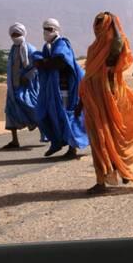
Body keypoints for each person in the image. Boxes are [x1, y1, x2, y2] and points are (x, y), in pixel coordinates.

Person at [77, 12, 133, 194]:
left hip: (109, 98)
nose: (96, 26)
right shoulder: (94, 47)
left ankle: (122, 170)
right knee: (98, 139)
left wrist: (114, 26)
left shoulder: (114, 45)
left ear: (107, 25)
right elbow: (89, 74)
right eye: (95, 22)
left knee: (112, 138)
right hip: (93, 99)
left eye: (100, 23)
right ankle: (102, 180)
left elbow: (118, 49)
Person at [33, 18, 89, 158]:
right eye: (45, 29)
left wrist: (44, 62)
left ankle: (72, 149)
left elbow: (61, 62)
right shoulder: (48, 46)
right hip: (52, 90)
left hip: (65, 89)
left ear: (56, 30)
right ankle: (56, 143)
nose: (47, 32)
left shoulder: (62, 44)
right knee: (46, 115)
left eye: (50, 29)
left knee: (66, 117)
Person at [3, 22, 43, 149]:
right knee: (10, 111)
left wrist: (28, 76)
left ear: (23, 33)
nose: (16, 36)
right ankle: (15, 140)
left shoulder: (30, 49)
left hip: (27, 87)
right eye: (13, 35)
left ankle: (46, 134)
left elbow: (38, 66)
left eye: (18, 34)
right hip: (13, 87)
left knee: (33, 108)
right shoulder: (13, 49)